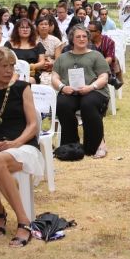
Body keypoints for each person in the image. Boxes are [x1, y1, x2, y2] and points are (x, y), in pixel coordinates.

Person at [0, 46, 43, 247]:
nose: (9, 70)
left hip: (25, 147)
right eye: (4, 66)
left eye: (11, 65)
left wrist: (15, 143)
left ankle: (24, 221)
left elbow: (33, 125)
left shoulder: (22, 87)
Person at [50, 25, 111, 159]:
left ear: (88, 38)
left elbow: (104, 77)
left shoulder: (96, 55)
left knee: (88, 104)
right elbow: (54, 76)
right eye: (78, 36)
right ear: (72, 39)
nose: (81, 39)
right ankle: (71, 146)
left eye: (84, 36)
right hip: (70, 91)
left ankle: (95, 146)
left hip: (95, 91)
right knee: (62, 104)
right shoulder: (63, 57)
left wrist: (91, 87)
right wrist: (62, 87)